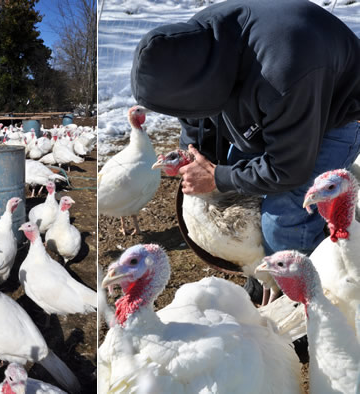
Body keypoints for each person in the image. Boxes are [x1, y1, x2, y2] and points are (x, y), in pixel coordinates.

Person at [131, 0, 360, 256]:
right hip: (270, 106)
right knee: (242, 199)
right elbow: (193, 114)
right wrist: (194, 153)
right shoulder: (193, 43)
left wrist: (217, 177)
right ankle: (261, 270)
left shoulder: (283, 74)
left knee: (281, 224)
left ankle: (309, 281)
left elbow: (288, 169)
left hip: (333, 114)